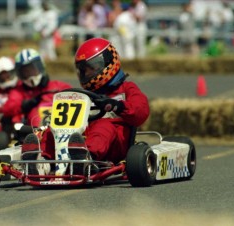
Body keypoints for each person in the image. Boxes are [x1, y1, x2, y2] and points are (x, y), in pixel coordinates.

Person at [22, 38, 150, 176]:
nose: (87, 74)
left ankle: (86, 160)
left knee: (103, 126)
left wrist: (118, 106)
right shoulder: (86, 95)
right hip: (80, 142)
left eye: (91, 68)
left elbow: (141, 111)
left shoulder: (126, 89)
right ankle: (43, 163)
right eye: (83, 70)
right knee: (53, 130)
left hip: (116, 145)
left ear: (108, 62)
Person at [4, 48, 72, 128]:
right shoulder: (18, 91)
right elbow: (7, 109)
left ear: (40, 67)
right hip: (34, 132)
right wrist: (25, 105)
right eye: (25, 72)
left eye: (32, 70)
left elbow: (78, 98)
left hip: (63, 128)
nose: (29, 74)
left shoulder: (58, 86)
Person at [0, 56, 23, 133]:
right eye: (2, 76)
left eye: (7, 75)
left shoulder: (22, 88)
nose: (5, 78)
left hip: (23, 122)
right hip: (7, 126)